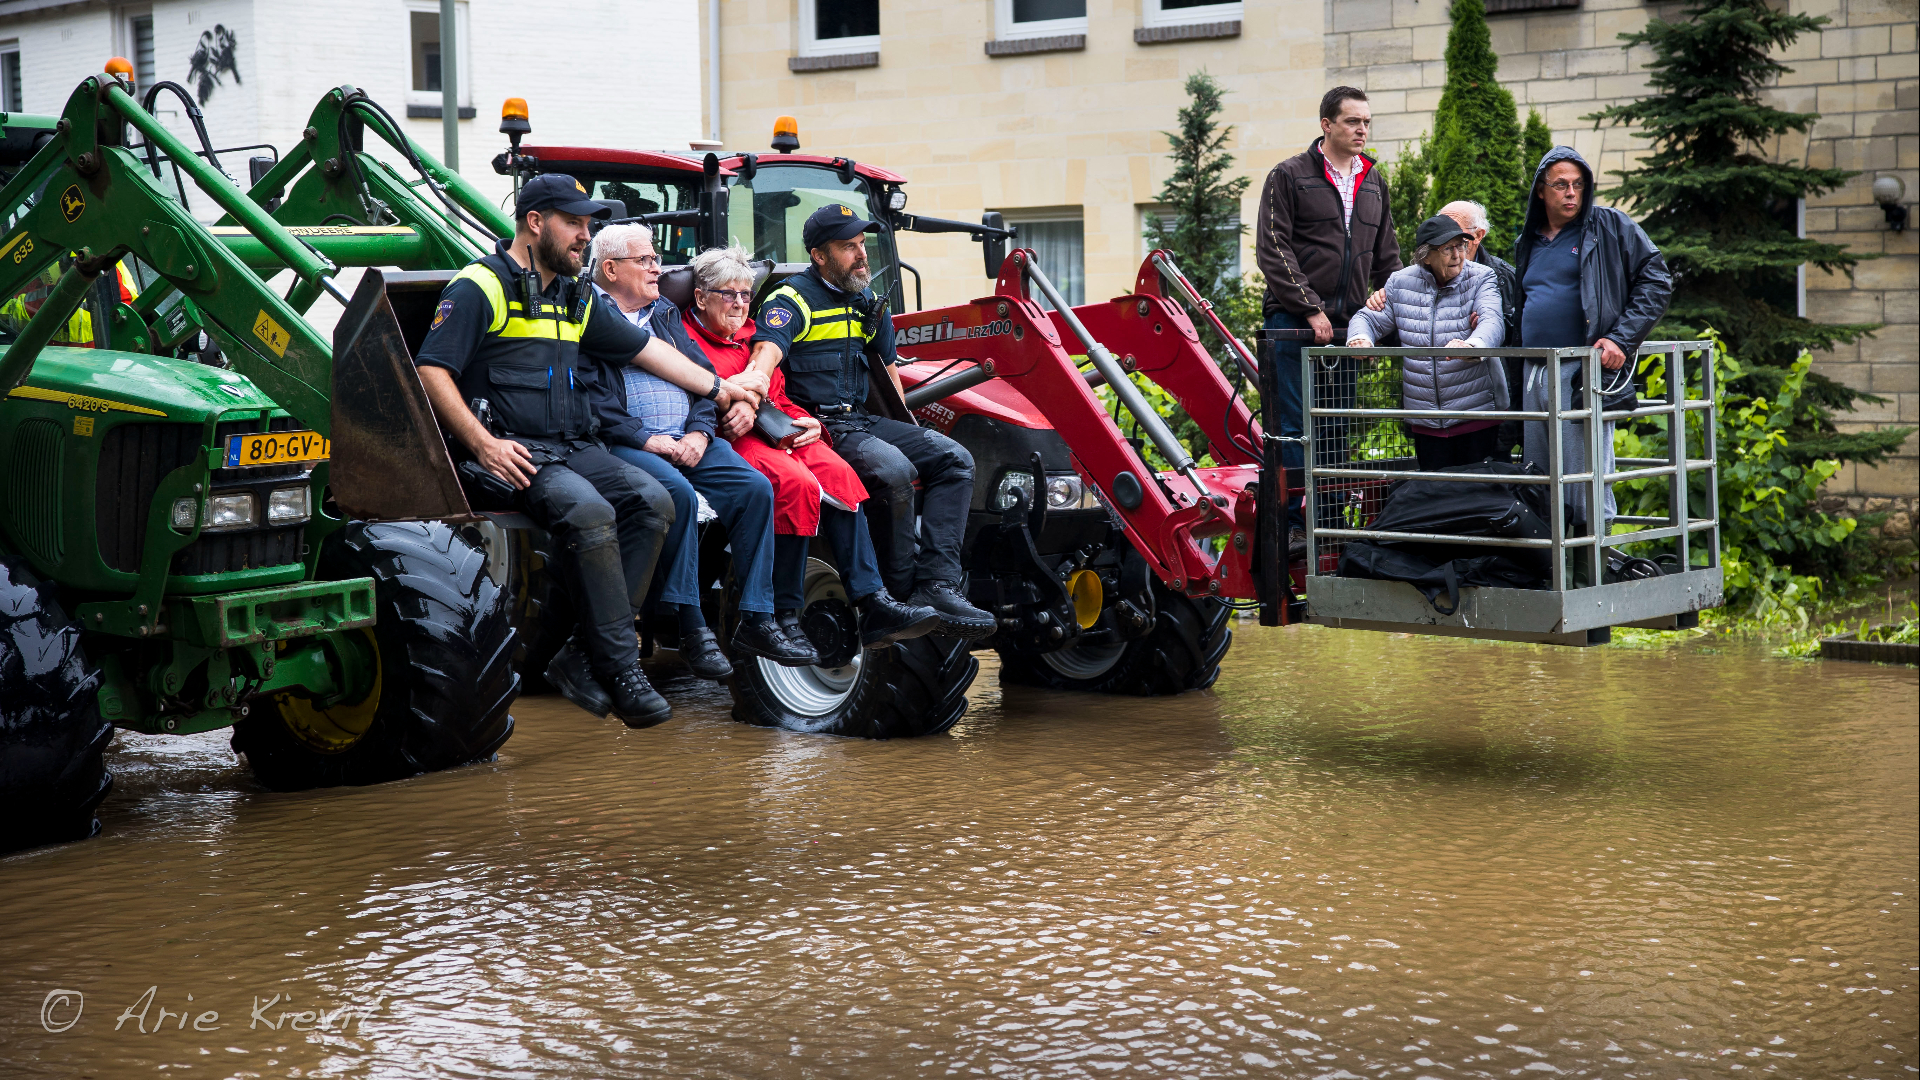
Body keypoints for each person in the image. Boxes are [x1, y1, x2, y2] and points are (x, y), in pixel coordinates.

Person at [413, 173, 749, 729]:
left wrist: (720, 389)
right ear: (535, 222)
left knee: (655, 501)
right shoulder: (480, 286)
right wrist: (483, 443)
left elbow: (647, 351)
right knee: (590, 512)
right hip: (512, 451)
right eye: (573, 223)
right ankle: (619, 667)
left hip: (572, 444)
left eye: (588, 225)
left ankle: (580, 652)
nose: (584, 237)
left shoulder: (575, 295)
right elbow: (431, 369)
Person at [739, 204, 995, 640]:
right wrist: (754, 381)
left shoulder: (868, 302)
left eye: (862, 244)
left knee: (954, 458)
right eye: (848, 247)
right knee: (894, 470)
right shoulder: (791, 300)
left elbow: (889, 373)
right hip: (815, 428)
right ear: (819, 255)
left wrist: (911, 429)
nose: (861, 255)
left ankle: (936, 586)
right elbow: (768, 349)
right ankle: (893, 600)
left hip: (861, 421)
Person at [682, 245, 941, 653]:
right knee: (795, 484)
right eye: (728, 294)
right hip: (731, 437)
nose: (740, 304)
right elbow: (691, 400)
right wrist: (738, 403)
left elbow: (780, 396)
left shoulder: (752, 337)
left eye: (746, 294)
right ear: (700, 297)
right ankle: (785, 612)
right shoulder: (685, 341)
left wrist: (810, 423)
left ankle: (872, 600)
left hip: (778, 428)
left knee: (842, 476)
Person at [585, 224, 815, 678]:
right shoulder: (586, 315)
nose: (657, 268)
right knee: (679, 496)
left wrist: (700, 434)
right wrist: (644, 438)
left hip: (688, 436)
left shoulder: (664, 312)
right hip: (627, 442)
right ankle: (691, 627)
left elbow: (706, 379)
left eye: (655, 259)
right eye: (645, 261)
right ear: (610, 269)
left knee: (755, 489)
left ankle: (757, 618)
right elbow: (587, 396)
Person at [1255, 85, 1402, 559]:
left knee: (1337, 425)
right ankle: (1297, 525)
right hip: (1292, 324)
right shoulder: (1289, 176)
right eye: (1353, 121)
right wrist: (1309, 307)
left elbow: (1387, 257)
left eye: (1367, 122)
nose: (1362, 130)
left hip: (1348, 328)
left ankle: (1332, 523)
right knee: (1295, 425)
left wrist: (1392, 311)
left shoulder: (1373, 182)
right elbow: (1273, 249)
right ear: (1327, 125)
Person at [1511, 146, 1672, 536]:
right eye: (1561, 185)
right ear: (1540, 191)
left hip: (1582, 370)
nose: (1571, 193)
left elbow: (1657, 280)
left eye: (1578, 184)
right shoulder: (1528, 240)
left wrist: (1620, 338)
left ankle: (1591, 559)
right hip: (1534, 370)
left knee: (1585, 481)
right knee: (1539, 478)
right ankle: (1553, 560)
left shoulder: (1609, 225)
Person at [1345, 215, 1506, 471]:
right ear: (1426, 256)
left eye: (1461, 246)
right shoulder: (1401, 282)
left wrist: (1473, 345)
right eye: (1448, 248)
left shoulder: (1481, 277)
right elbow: (1368, 318)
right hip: (1425, 418)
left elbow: (1492, 320)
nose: (1458, 255)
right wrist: (1360, 338)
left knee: (1476, 488)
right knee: (1434, 489)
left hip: (1475, 412)